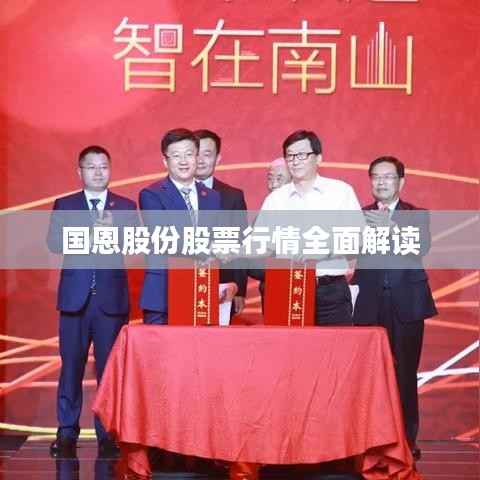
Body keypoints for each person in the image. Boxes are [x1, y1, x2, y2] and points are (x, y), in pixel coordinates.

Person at [47, 145, 137, 457]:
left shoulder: (125, 207)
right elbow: (54, 242)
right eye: (91, 167)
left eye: (103, 167)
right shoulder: (66, 204)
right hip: (75, 300)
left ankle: (108, 434)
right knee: (71, 367)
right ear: (80, 171)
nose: (98, 172)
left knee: (109, 372)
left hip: (110, 302)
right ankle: (66, 432)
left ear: (110, 170)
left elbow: (136, 245)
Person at [351, 156, 437, 461]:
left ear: (401, 181)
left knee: (405, 375)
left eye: (388, 177)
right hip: (369, 303)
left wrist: (391, 227)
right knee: (368, 376)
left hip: (406, 304)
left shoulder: (416, 215)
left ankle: (406, 441)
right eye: (376, 177)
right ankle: (369, 441)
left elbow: (420, 247)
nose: (381, 182)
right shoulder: (360, 215)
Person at [259, 130, 362, 325]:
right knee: (289, 344)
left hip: (329, 291)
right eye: (290, 156)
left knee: (335, 344)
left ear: (319, 158)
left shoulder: (340, 192)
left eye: (301, 155)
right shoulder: (275, 199)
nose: (295, 161)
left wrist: (322, 250)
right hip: (287, 288)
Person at [139, 128, 223, 324]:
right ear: (165, 161)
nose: (183, 161)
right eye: (176, 156)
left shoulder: (212, 197)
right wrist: (211, 248)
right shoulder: (151, 194)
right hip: (163, 293)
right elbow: (165, 238)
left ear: (197, 157)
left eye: (189, 154)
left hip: (201, 290)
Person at [193, 129, 248, 315]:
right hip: (181, 281)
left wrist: (239, 288)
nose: (200, 160)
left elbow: (240, 242)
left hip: (222, 286)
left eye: (207, 154)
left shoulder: (232, 196)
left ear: (218, 159)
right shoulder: (172, 194)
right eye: (196, 154)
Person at [249, 158, 292, 310]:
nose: (273, 185)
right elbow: (252, 263)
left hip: (308, 291)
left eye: (279, 179)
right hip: (273, 291)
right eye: (270, 178)